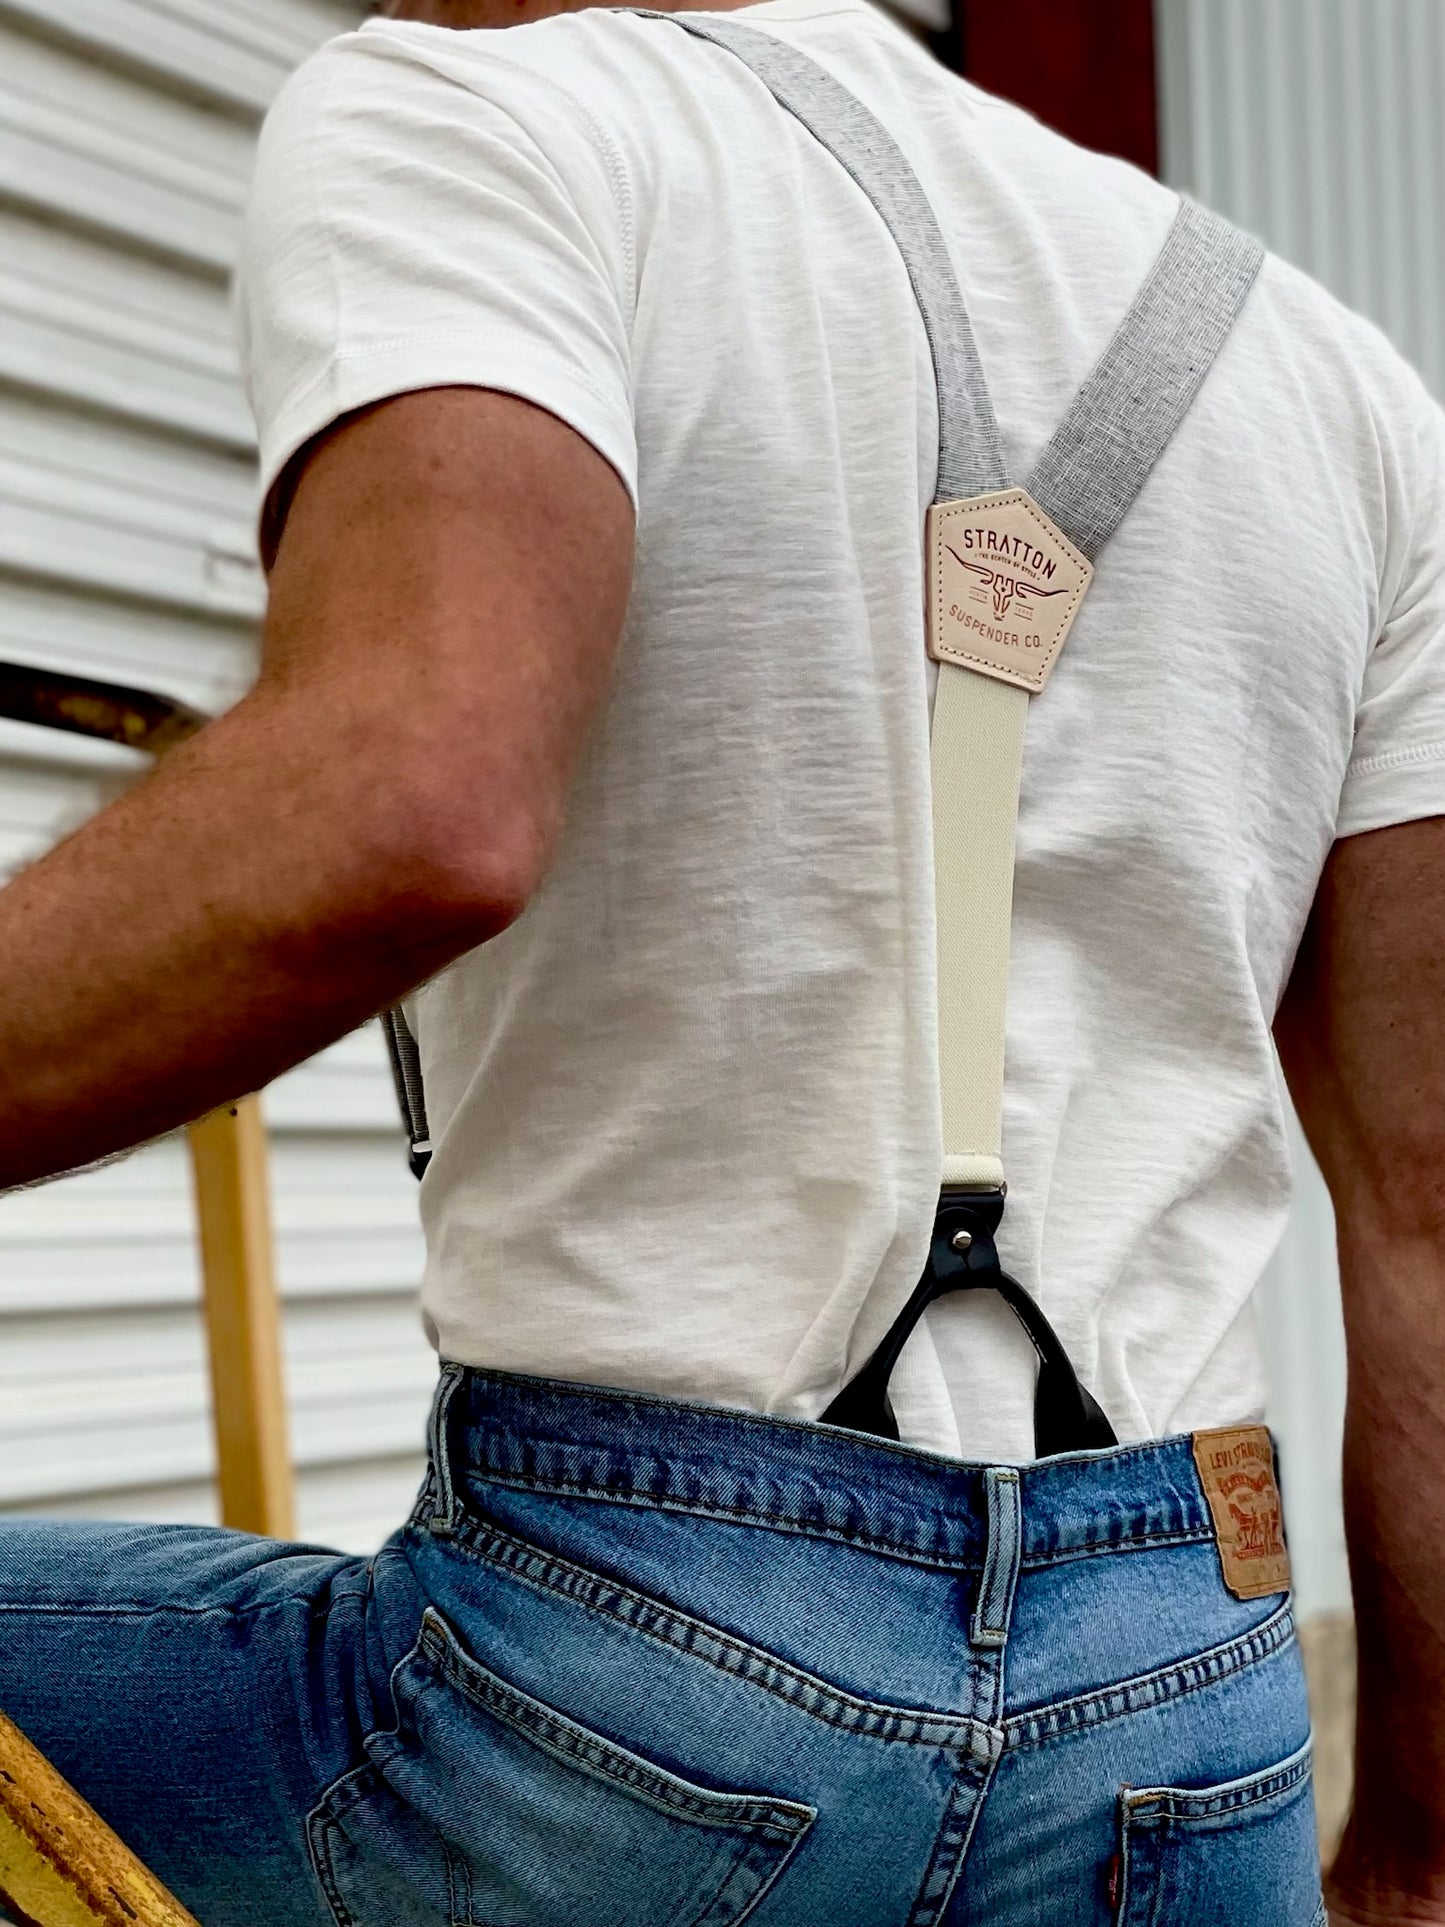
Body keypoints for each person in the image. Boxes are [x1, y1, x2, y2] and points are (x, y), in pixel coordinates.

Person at [0, 0, 1442, 1920]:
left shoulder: (474, 119)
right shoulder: (1341, 385)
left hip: (646, 1679)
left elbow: (408, 796)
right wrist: (1417, 1859)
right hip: (1187, 1677)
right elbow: (1425, 1214)